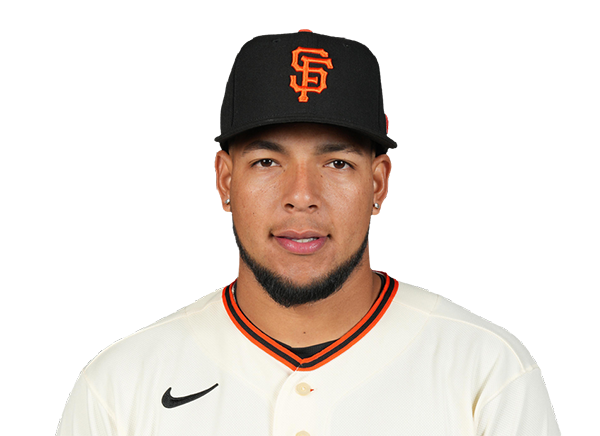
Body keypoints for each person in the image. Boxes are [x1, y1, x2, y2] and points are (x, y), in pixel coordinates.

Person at [57, 30, 561, 436]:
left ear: (378, 184)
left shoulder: (487, 372)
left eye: (337, 163)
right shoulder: (119, 385)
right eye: (267, 161)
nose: (302, 195)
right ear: (225, 181)